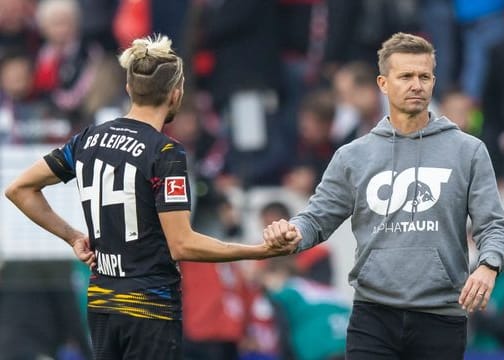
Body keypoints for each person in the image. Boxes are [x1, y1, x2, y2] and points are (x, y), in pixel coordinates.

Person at [4, 34, 298, 360]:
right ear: (176, 94)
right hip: (149, 308)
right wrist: (258, 251)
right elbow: (182, 244)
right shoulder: (165, 153)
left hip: (102, 304)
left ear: (129, 89)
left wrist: (72, 236)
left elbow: (19, 189)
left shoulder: (88, 139)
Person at [264, 32, 504, 359]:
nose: (416, 85)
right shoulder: (353, 156)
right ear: (382, 83)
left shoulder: (468, 151)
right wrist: (292, 232)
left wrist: (487, 266)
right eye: (406, 76)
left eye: (424, 76)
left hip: (441, 317)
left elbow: (494, 226)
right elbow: (316, 219)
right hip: (373, 316)